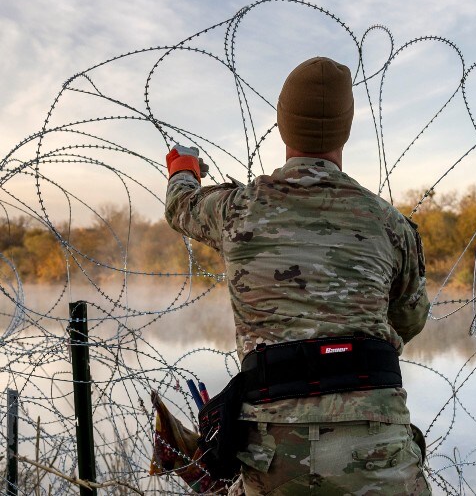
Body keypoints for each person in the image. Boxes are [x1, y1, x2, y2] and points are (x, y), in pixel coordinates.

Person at [165, 57, 431, 495]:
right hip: (378, 446)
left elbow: (181, 207)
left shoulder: (237, 210)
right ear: (345, 129)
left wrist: (183, 169)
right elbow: (410, 319)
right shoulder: (391, 225)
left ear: (283, 124)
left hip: (272, 451)